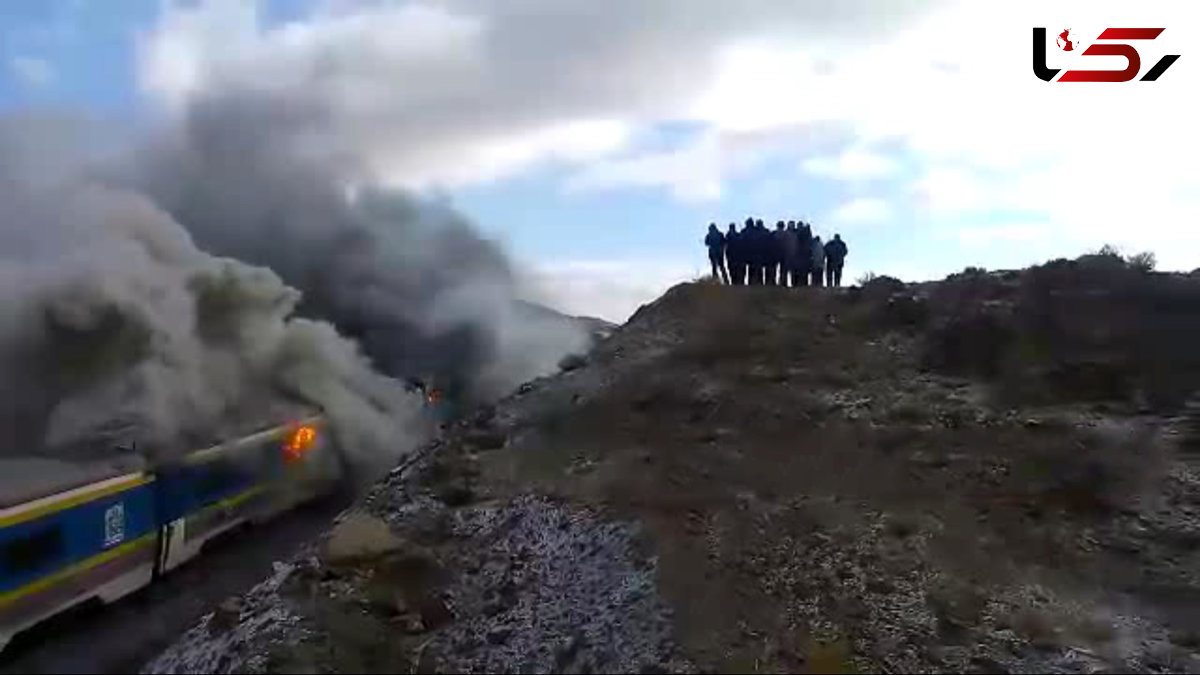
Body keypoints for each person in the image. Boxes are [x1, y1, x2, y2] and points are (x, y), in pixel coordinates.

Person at [781, 221, 800, 287]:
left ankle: (793, 283)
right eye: (791, 225)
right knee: (785, 270)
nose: (792, 226)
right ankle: (784, 284)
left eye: (793, 225)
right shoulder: (786, 233)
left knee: (793, 271)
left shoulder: (795, 234)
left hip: (794, 254)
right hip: (786, 254)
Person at [795, 221, 812, 287]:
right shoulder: (807, 234)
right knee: (804, 272)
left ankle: (798, 285)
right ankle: (804, 285)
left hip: (800, 254)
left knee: (799, 271)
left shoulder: (798, 233)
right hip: (805, 254)